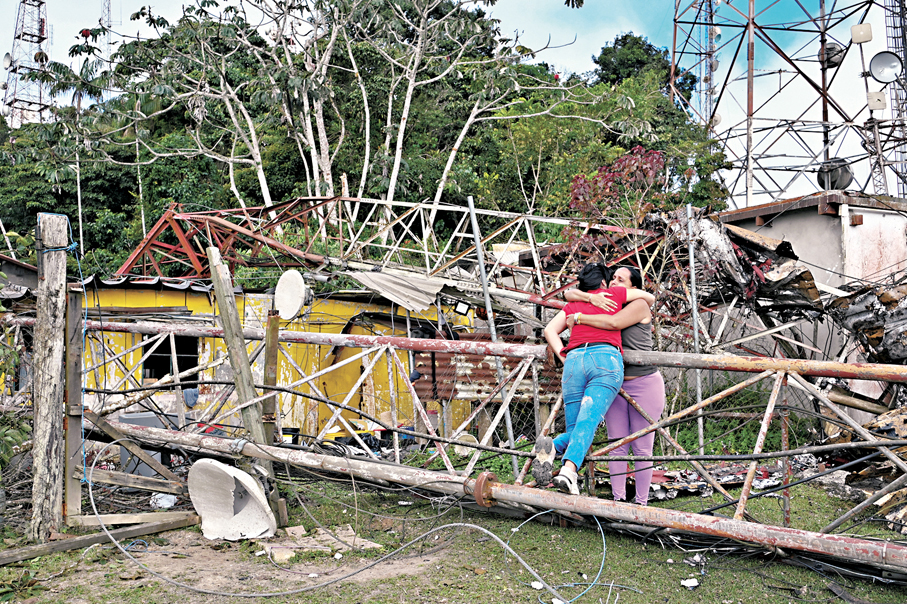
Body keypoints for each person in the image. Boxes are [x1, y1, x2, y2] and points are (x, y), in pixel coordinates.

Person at [535, 264, 655, 495]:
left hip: (573, 362)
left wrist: (563, 353)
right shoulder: (613, 295)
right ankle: (569, 473)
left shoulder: (573, 303)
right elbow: (649, 297)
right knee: (587, 422)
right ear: (602, 283)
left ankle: (550, 447)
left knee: (575, 428)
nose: (613, 283)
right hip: (603, 359)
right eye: (611, 278)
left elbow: (550, 329)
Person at [564, 266, 666, 506]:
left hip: (645, 382)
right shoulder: (606, 300)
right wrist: (589, 297)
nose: (614, 282)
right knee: (616, 444)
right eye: (613, 279)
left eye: (621, 280)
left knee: (642, 448)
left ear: (633, 287)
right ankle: (617, 501)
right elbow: (570, 293)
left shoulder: (639, 304)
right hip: (615, 383)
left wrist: (578, 318)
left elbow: (614, 323)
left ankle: (641, 503)